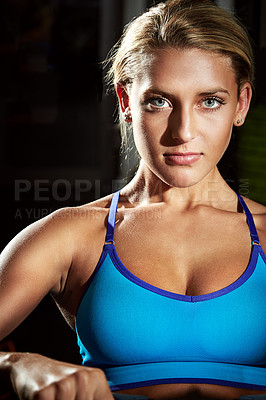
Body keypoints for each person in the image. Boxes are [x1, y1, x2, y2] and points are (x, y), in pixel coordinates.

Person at [0, 0, 266, 399]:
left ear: (240, 104)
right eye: (159, 101)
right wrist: (18, 364)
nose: (183, 132)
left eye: (209, 101)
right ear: (126, 102)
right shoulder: (72, 235)